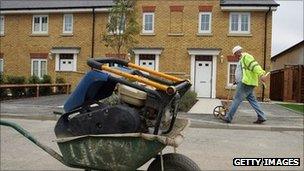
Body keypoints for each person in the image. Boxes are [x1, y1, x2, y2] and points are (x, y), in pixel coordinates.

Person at [220, 45, 269, 124]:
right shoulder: (243, 59)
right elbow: (244, 72)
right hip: (247, 83)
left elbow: (254, 66)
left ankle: (228, 118)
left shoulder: (246, 57)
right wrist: (237, 80)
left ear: (237, 53)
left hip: (245, 83)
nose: (235, 57)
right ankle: (262, 116)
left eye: (235, 55)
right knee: (253, 100)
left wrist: (261, 74)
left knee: (236, 99)